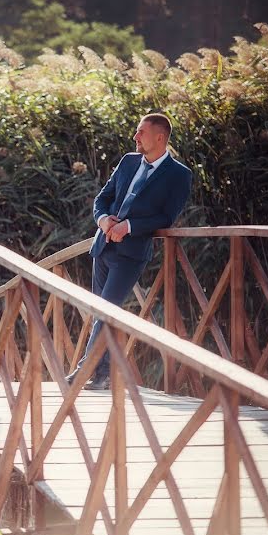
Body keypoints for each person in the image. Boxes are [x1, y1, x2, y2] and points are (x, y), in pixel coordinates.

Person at [66, 113, 192, 390]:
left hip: (131, 254)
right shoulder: (128, 161)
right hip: (102, 245)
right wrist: (104, 220)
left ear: (160, 137)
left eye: (141, 132)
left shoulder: (179, 175)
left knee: (106, 310)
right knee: (102, 313)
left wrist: (130, 227)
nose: (135, 137)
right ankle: (103, 375)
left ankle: (85, 369)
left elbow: (166, 217)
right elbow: (103, 198)